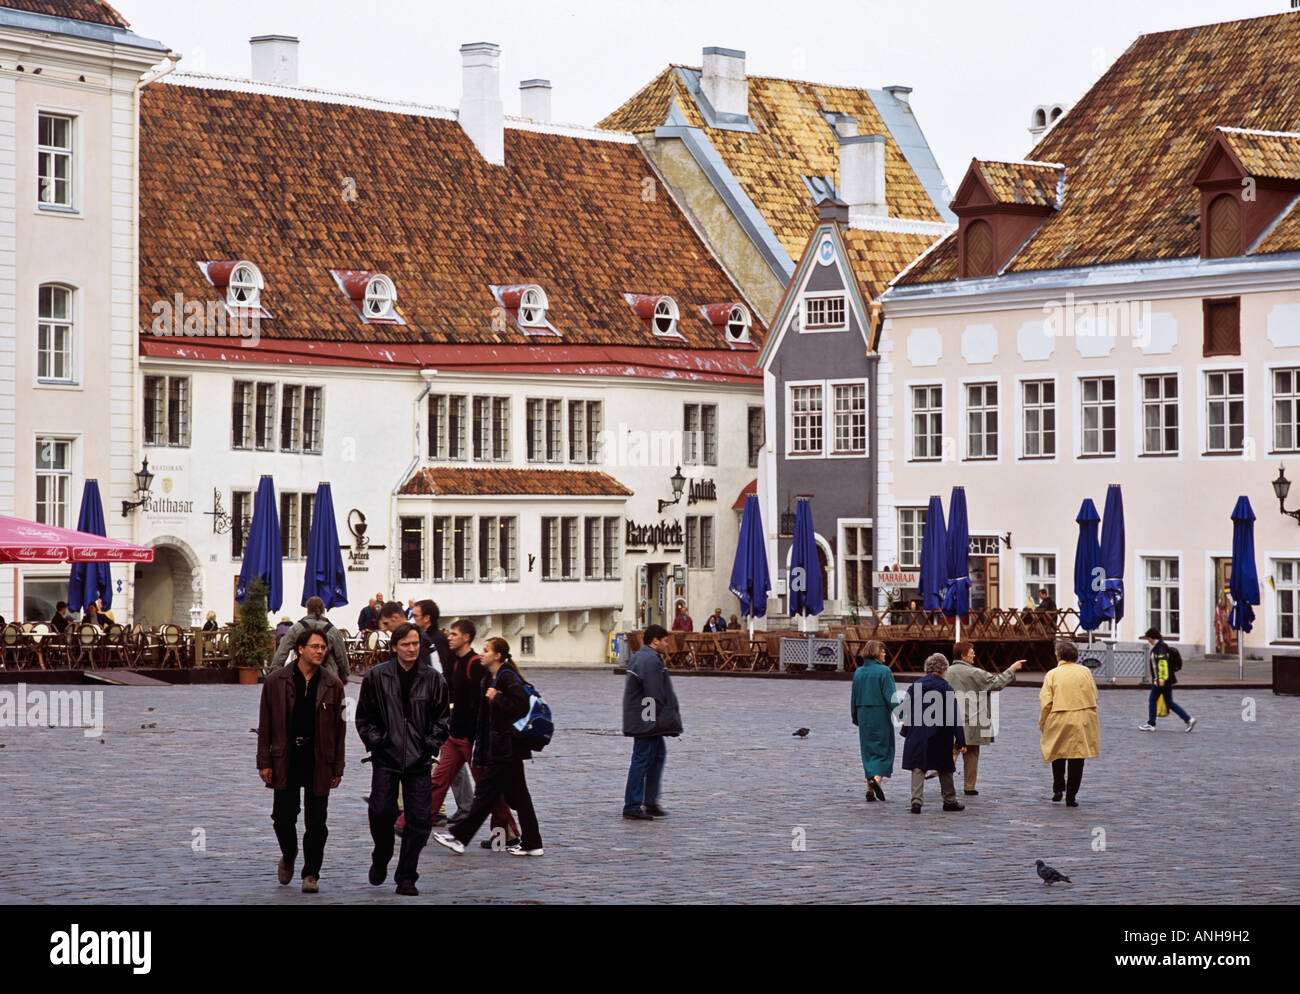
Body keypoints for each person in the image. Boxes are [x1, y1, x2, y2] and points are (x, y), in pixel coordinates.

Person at [355, 622, 450, 896]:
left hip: (419, 761)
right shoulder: (377, 677)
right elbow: (364, 718)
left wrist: (429, 745)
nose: (411, 649)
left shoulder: (433, 679)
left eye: (415, 643)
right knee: (381, 812)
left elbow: (443, 719)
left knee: (420, 821)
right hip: (386, 758)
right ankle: (382, 854)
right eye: (406, 644)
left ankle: (407, 876)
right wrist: (378, 742)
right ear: (394, 646)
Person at [433, 637, 544, 857]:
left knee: (484, 795)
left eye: (486, 650)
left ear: (498, 656)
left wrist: (497, 698)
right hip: (501, 748)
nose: (481, 654)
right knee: (520, 797)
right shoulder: (492, 677)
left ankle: (459, 837)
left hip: (506, 749)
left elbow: (520, 705)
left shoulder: (506, 677)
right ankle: (533, 843)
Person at [256, 628, 346, 894]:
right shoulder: (276, 681)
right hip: (286, 757)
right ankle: (290, 852)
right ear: (300, 649)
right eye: (315, 647)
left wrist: (337, 766)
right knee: (283, 818)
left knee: (317, 822)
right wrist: (264, 761)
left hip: (319, 758)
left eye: (323, 648)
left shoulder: (333, 684)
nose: (320, 652)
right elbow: (266, 724)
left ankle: (311, 873)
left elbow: (340, 732)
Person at [426, 619, 521, 849]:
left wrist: (478, 734)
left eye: (454, 634)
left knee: (490, 792)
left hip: (471, 738)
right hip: (455, 734)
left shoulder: (477, 665)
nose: (449, 637)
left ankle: (506, 836)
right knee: (438, 780)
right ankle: (411, 823)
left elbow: (485, 705)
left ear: (466, 637)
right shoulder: (455, 661)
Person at [621, 623, 683, 820]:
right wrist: (652, 724)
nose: (667, 644)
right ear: (655, 640)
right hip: (647, 720)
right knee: (642, 760)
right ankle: (632, 805)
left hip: (646, 719)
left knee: (656, 757)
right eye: (665, 641)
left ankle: (649, 801)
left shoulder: (645, 656)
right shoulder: (650, 660)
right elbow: (653, 694)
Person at [945, 642, 1024, 796]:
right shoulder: (975, 673)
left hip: (950, 718)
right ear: (963, 655)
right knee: (972, 753)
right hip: (973, 718)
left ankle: (946, 781)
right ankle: (969, 786)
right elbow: (997, 683)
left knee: (951, 751)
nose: (974, 655)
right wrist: (1012, 669)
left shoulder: (946, 672)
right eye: (972, 652)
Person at [900, 653, 966, 814]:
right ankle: (949, 801)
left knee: (918, 766)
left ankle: (916, 801)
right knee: (945, 767)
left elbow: (903, 709)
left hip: (918, 731)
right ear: (944, 669)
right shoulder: (946, 688)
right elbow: (954, 716)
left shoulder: (915, 685)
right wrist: (961, 740)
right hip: (941, 733)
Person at [1039, 640, 1100, 806]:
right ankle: (1071, 796)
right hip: (1082, 717)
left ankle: (1058, 788)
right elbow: (1094, 694)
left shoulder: (1052, 674)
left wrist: (1043, 722)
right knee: (1077, 758)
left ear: (1058, 656)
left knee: (1057, 753)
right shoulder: (1085, 671)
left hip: (1059, 716)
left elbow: (1046, 702)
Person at [851, 640, 897, 802]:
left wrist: (854, 716)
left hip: (863, 713)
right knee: (884, 750)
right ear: (877, 653)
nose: (885, 654)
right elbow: (891, 696)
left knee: (868, 751)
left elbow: (854, 697)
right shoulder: (884, 671)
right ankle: (876, 780)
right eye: (883, 651)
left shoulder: (858, 672)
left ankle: (869, 789)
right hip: (880, 714)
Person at [270, 596, 351, 682]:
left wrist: (274, 675)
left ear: (308, 610)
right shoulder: (333, 630)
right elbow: (341, 657)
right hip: (328, 677)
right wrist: (344, 677)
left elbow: (281, 653)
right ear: (323, 610)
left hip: (301, 675)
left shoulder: (295, 629)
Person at [1139, 627, 1196, 733]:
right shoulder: (1160, 646)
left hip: (1162, 680)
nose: (1148, 641)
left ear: (1153, 638)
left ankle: (1151, 724)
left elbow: (1162, 664)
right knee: (1169, 702)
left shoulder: (1160, 648)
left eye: (1148, 638)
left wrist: (1161, 679)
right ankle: (1188, 719)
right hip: (1166, 680)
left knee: (1152, 700)